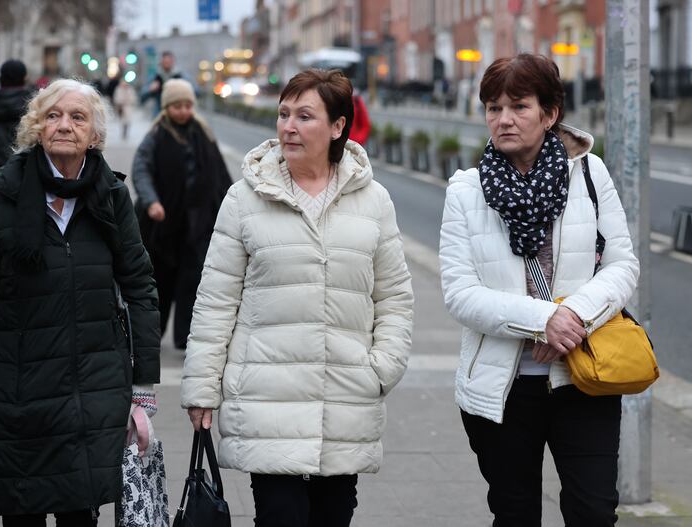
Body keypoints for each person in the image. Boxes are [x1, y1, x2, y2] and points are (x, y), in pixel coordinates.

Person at [180, 69, 414, 526]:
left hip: (346, 402)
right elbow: (215, 300)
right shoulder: (244, 199)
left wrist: (380, 370)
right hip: (268, 403)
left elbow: (394, 298)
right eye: (283, 114)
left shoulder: (374, 200)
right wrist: (202, 388)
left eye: (304, 116)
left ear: (337, 127)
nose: (288, 125)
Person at [0, 79, 161, 527]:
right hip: (15, 396)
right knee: (24, 516)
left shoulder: (110, 197)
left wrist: (143, 386)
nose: (64, 125)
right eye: (53, 115)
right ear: (36, 127)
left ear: (94, 134)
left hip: (89, 395)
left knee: (81, 516)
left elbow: (140, 286)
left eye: (78, 117)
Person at [438, 54, 639, 526]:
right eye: (492, 107)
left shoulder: (590, 175)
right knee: (515, 513)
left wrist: (572, 321)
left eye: (518, 106)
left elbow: (622, 265)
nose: (503, 119)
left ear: (549, 114)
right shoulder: (466, 192)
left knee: (593, 511)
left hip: (583, 377)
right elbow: (459, 292)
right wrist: (541, 320)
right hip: (501, 387)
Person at [132, 78, 231, 350]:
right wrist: (151, 201)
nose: (183, 111)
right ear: (167, 107)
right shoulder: (156, 135)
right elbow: (141, 168)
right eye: (177, 106)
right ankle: (154, 334)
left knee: (193, 279)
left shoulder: (203, 133)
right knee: (161, 279)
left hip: (198, 221)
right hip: (163, 223)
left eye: (187, 105)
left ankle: (185, 336)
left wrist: (232, 204)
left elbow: (220, 174)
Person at [142, 51, 185, 117]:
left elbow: (196, 91)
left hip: (177, 113)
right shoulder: (155, 76)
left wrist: (183, 88)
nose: (167, 64)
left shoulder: (181, 75)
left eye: (169, 62)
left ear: (173, 62)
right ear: (161, 62)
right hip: (159, 113)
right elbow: (142, 95)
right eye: (165, 62)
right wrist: (150, 89)